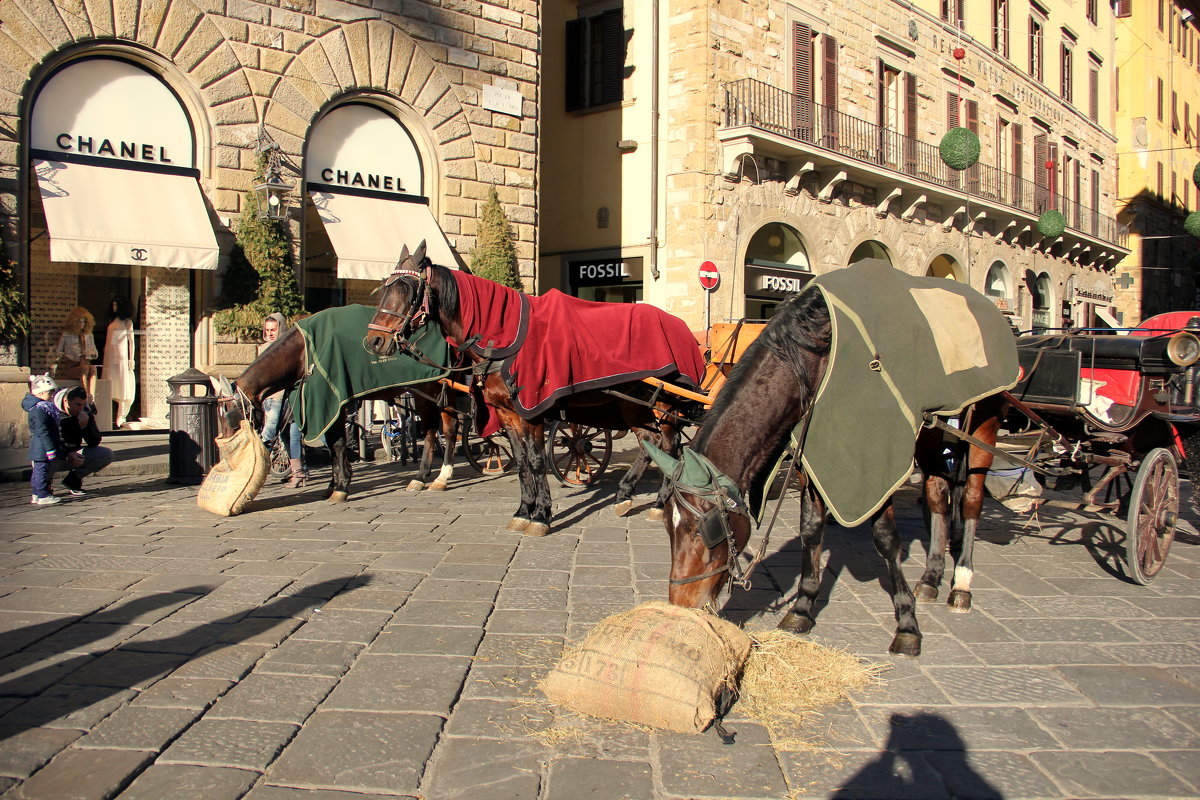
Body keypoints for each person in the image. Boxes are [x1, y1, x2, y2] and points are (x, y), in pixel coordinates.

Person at [259, 312, 306, 487]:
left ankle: (298, 474)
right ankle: (259, 470)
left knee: (289, 435)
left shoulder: (288, 347)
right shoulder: (263, 349)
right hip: (272, 399)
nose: (270, 333)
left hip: (290, 398)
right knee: (276, 435)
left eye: (274, 329)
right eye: (267, 330)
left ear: (281, 328)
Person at [22, 373, 77, 505]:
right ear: (40, 393)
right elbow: (42, 431)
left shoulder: (41, 408)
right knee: (41, 471)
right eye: (49, 392)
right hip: (41, 446)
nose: (52, 395)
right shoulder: (39, 409)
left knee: (39, 471)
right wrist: (50, 449)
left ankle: (37, 494)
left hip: (41, 446)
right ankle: (42, 494)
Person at [54, 386, 114, 496]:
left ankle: (74, 478)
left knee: (106, 454)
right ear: (66, 401)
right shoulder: (51, 410)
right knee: (43, 455)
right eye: (77, 405)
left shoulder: (85, 411)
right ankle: (43, 487)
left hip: (73, 452)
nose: (80, 408)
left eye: (83, 404)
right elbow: (50, 440)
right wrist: (67, 454)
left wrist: (85, 427)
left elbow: (95, 441)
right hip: (53, 452)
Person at [52, 306, 98, 401]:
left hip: (86, 362)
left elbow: (96, 353)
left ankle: (91, 396)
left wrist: (90, 353)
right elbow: (58, 352)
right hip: (72, 365)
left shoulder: (89, 335)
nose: (82, 324)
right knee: (85, 368)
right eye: (80, 321)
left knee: (93, 368)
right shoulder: (67, 335)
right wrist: (70, 355)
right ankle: (85, 393)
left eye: (84, 322)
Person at [103, 298, 136, 428]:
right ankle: (107, 416)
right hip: (110, 358)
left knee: (122, 386)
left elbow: (131, 342)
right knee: (110, 384)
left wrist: (131, 359)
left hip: (122, 358)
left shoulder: (127, 323)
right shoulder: (112, 323)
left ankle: (121, 416)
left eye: (117, 305)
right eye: (113, 305)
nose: (114, 307)